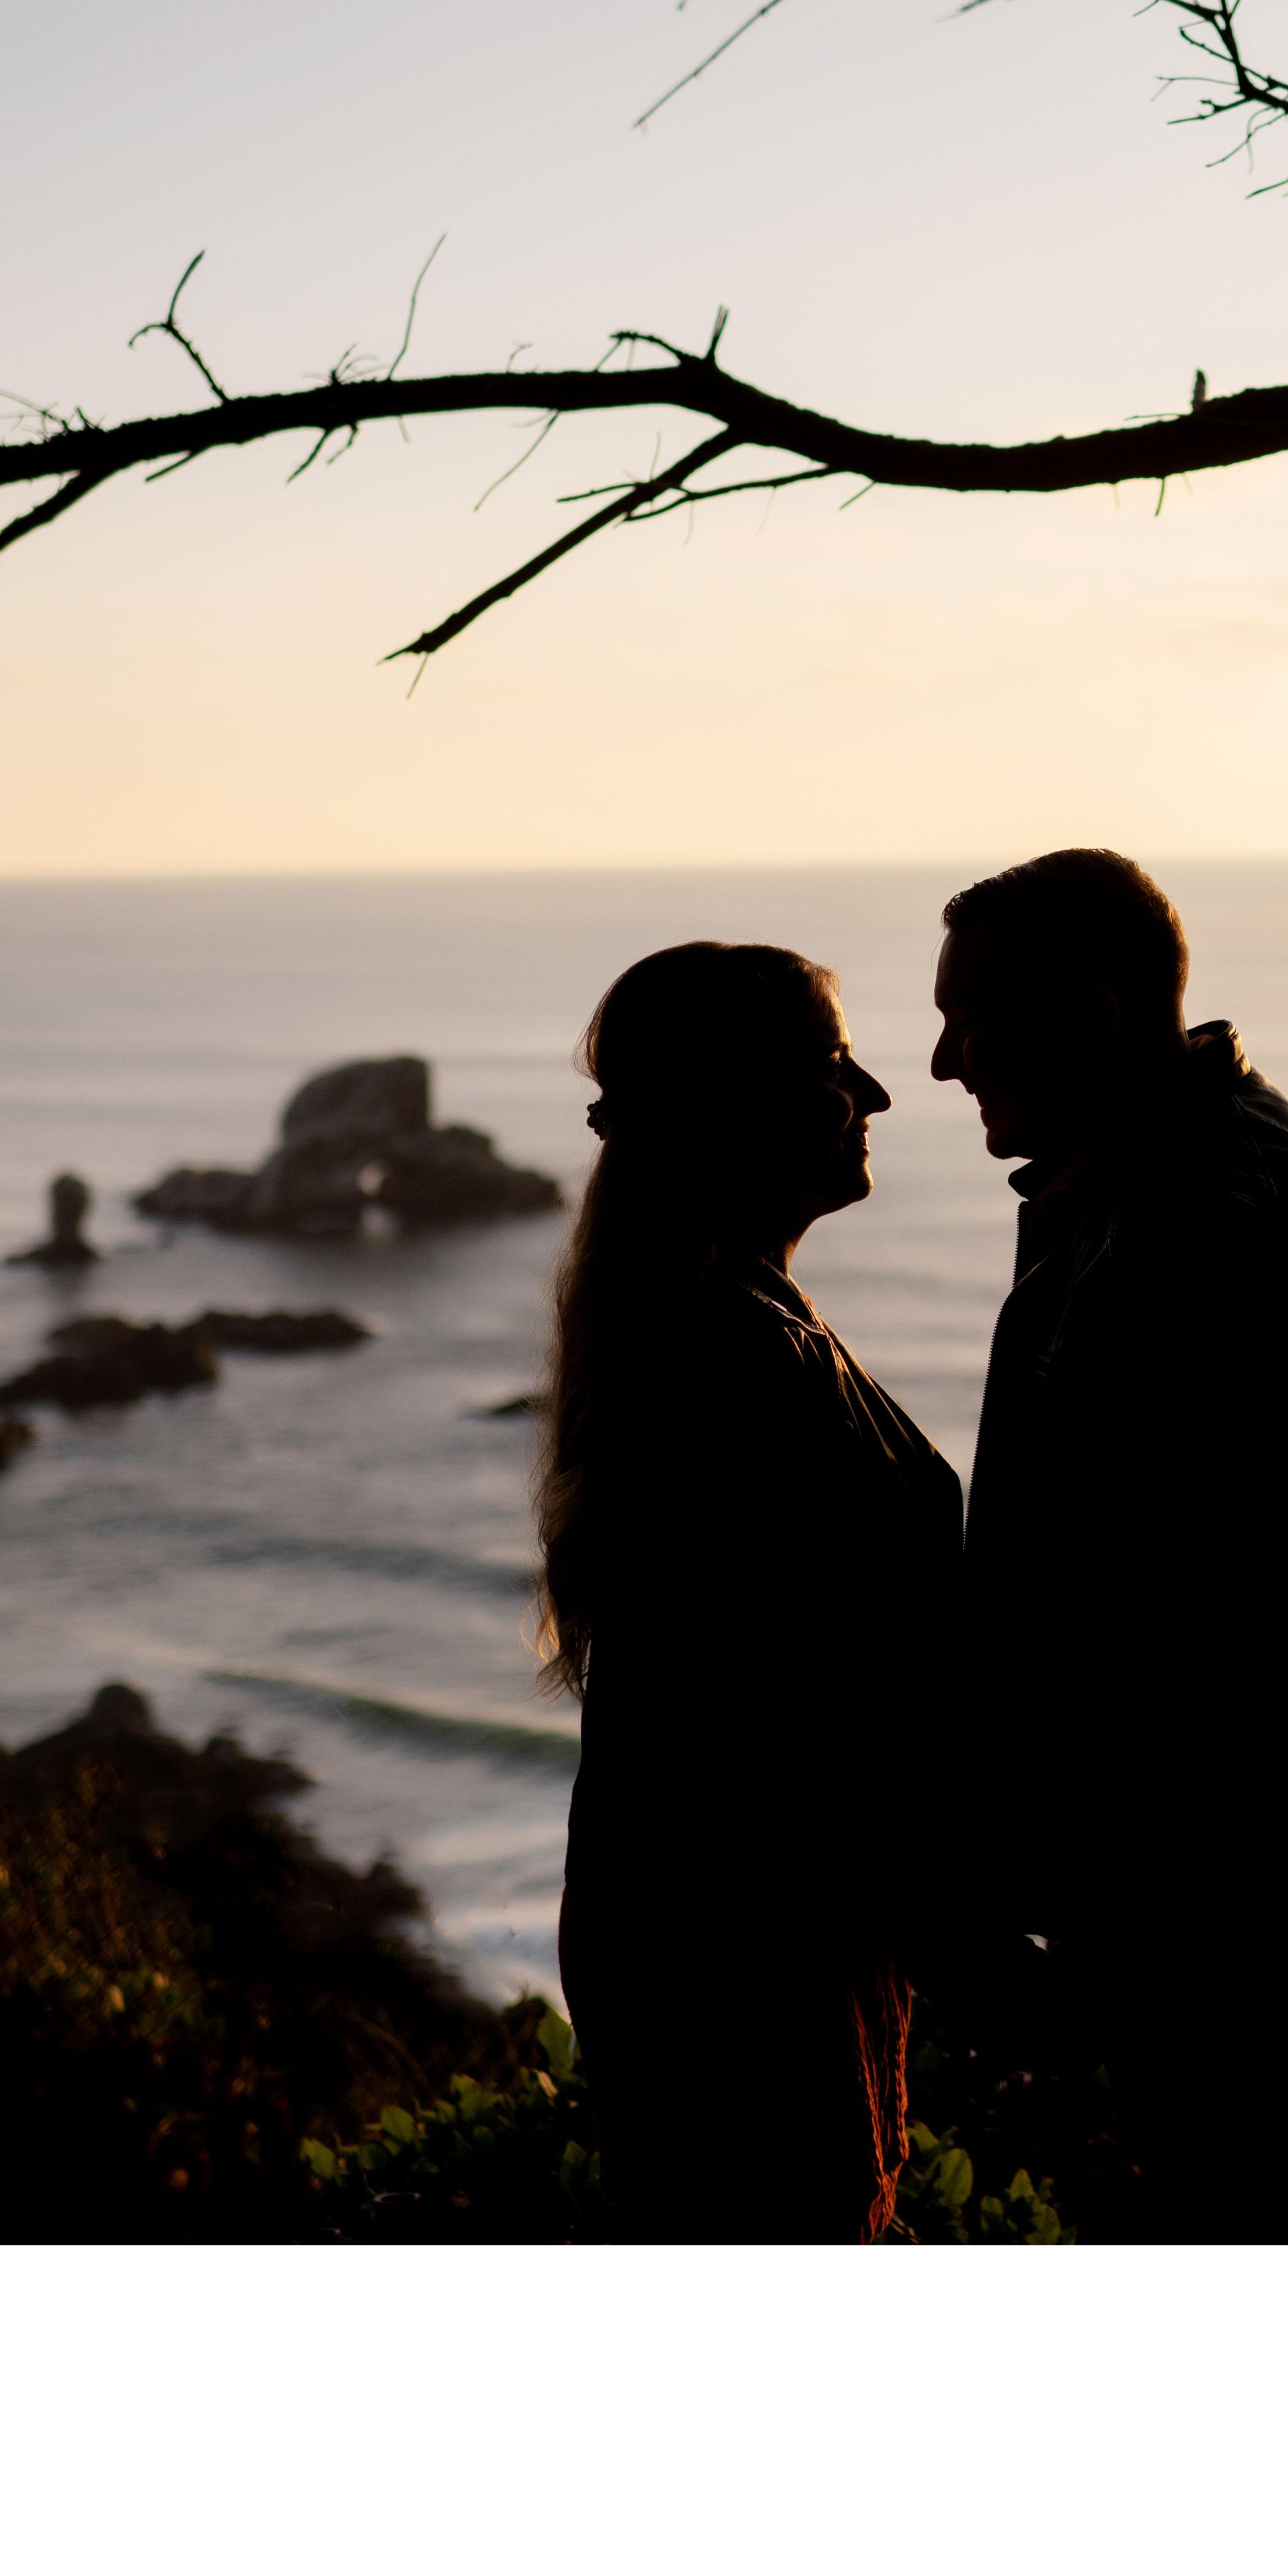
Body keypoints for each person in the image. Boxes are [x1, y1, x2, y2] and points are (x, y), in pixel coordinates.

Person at [932, 849, 1288, 2240]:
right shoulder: (1140, 1174)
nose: (941, 1063)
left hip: (1242, 1864)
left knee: (1263, 2192)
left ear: (1089, 1018)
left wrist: (1052, 1859)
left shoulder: (1213, 1215)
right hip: (1228, 1847)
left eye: (972, 1021)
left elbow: (1197, 1600)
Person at [541, 941, 958, 2243]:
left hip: (732, 1938)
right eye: (837, 1068)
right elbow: (786, 1713)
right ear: (742, 1106)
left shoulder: (730, 1317)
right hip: (739, 1966)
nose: (877, 1094)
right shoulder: (731, 1356)